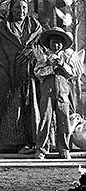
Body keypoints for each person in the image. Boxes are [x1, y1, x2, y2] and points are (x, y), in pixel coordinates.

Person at [0, 0, 42, 154]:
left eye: (24, 8)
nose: (22, 11)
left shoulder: (34, 25)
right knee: (14, 109)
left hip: (31, 76)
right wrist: (12, 64)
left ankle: (34, 141)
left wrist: (31, 51)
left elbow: (43, 43)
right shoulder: (4, 28)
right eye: (18, 8)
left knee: (33, 108)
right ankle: (18, 144)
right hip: (11, 76)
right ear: (11, 9)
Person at [34, 27, 77, 160]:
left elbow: (73, 74)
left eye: (59, 42)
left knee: (63, 120)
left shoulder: (67, 57)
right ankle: (41, 149)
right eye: (53, 42)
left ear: (63, 45)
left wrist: (62, 65)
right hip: (47, 92)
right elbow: (37, 72)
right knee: (45, 120)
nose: (56, 45)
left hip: (63, 93)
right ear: (49, 43)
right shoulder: (44, 57)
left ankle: (63, 149)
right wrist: (51, 67)